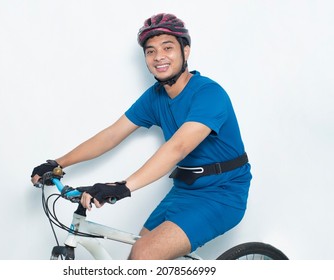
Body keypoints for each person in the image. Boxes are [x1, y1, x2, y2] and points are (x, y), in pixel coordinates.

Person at [31, 13, 252, 260]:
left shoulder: (210, 94)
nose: (159, 57)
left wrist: (124, 186)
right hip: (184, 190)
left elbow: (178, 147)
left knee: (144, 253)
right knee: (135, 258)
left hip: (223, 193)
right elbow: (112, 134)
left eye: (167, 48)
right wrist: (58, 163)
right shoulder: (155, 97)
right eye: (150, 51)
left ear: (185, 51)